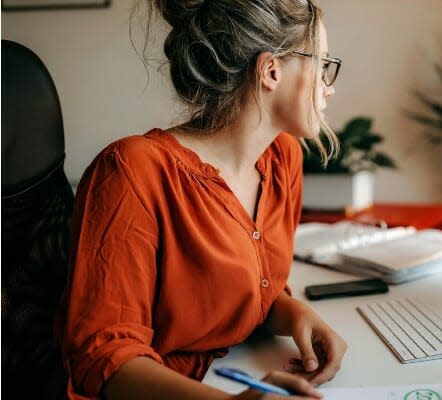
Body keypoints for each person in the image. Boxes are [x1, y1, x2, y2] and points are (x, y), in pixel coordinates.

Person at [54, 0, 346, 398]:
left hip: (231, 369)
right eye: (323, 63)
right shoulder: (133, 171)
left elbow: (242, 292)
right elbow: (104, 356)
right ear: (271, 71)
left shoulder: (282, 159)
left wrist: (295, 314)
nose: (330, 86)